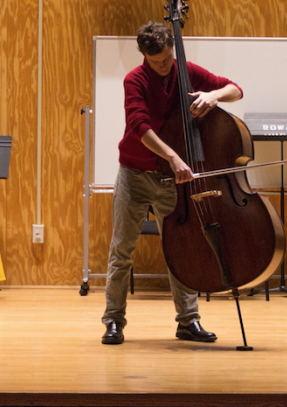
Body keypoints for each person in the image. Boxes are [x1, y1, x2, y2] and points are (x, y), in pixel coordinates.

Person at [101, 21, 243, 345]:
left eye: (167, 59)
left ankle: (188, 322)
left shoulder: (185, 69)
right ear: (144, 57)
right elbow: (139, 125)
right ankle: (113, 321)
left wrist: (214, 95)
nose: (165, 67)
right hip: (134, 176)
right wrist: (173, 157)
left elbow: (235, 89)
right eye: (157, 62)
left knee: (181, 251)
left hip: (170, 181)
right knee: (122, 250)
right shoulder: (134, 80)